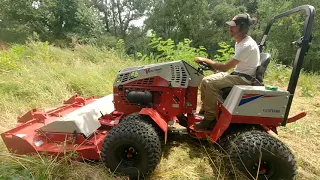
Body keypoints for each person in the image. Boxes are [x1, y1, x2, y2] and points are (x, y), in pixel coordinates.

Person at [194, 13, 260, 130]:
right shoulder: (240, 42)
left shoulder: (247, 45)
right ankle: (205, 110)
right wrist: (214, 67)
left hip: (244, 78)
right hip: (237, 74)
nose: (230, 28)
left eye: (233, 26)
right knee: (205, 80)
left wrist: (204, 59)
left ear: (242, 27)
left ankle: (210, 120)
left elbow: (224, 67)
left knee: (211, 84)